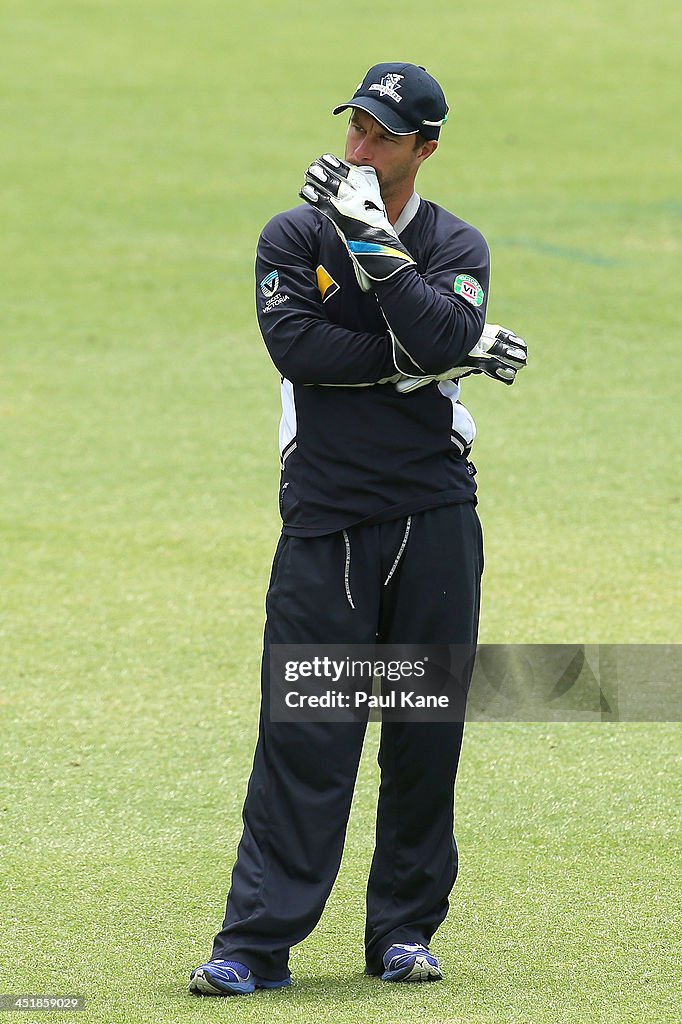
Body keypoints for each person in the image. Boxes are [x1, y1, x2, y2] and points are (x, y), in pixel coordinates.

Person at [189, 62, 527, 997]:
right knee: (308, 730)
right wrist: (435, 352)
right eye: (355, 129)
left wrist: (377, 244)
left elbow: (432, 331)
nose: (360, 150)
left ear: (425, 146)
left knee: (424, 734)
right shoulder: (292, 234)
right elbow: (299, 348)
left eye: (382, 136)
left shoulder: (459, 244)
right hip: (327, 517)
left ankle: (404, 932)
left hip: (434, 515)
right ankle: (255, 945)